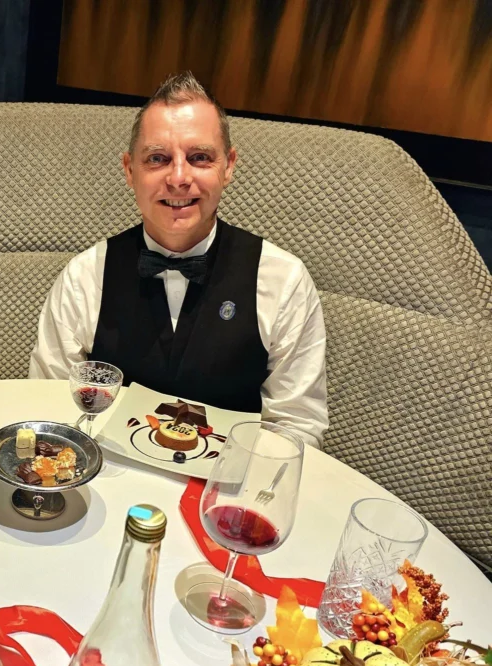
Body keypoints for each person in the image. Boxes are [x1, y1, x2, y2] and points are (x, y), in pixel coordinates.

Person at [29, 71, 327, 449]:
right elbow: (50, 403)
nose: (179, 177)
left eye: (200, 157)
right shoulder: (84, 276)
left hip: (225, 492)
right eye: (158, 158)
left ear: (229, 166)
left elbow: (296, 427)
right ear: (129, 170)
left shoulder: (284, 280)